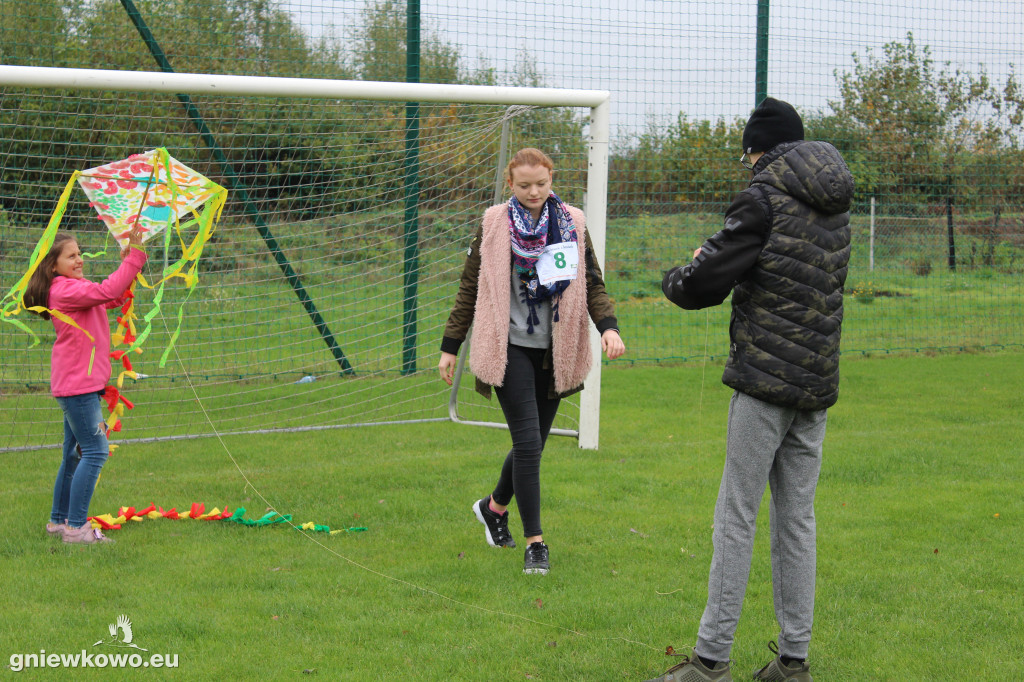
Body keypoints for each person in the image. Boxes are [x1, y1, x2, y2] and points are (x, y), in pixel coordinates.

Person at [647, 98, 854, 682]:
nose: (749, 165)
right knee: (797, 520)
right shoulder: (835, 203)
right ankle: (794, 662)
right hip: (815, 383)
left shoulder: (762, 197)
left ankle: (709, 662)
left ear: (761, 150)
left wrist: (681, 274)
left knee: (735, 515)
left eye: (749, 154)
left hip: (764, 383)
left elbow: (705, 283)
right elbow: (794, 274)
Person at [438, 147, 625, 575]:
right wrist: (451, 344)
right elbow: (470, 288)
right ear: (510, 184)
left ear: (551, 179)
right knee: (527, 444)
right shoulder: (492, 224)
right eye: (524, 186)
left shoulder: (572, 223)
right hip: (508, 349)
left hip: (555, 352)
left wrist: (609, 327)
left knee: (533, 444)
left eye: (541, 184)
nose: (534, 192)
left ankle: (493, 508)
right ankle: (535, 543)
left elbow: (592, 283)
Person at [23, 225, 147, 545]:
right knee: (95, 451)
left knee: (74, 455)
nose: (79, 260)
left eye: (80, 254)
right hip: (78, 388)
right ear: (53, 265)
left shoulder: (75, 287)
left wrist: (128, 264)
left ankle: (59, 521)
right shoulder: (64, 290)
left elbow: (112, 297)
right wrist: (135, 256)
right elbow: (106, 291)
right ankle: (77, 529)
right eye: (71, 256)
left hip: (76, 385)